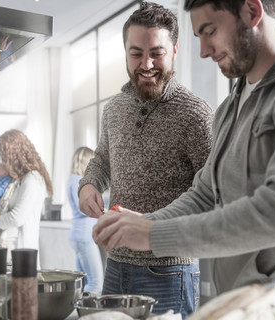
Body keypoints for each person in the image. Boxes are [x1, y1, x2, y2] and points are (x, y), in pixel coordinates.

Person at [92, 1, 275, 319]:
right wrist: (144, 223)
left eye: (210, 31)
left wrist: (152, 235)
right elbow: (205, 193)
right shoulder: (231, 106)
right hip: (240, 308)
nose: (204, 51)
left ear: (252, 10)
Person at [78, 2, 214, 317]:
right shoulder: (113, 108)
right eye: (136, 53)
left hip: (169, 273)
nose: (147, 63)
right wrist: (88, 185)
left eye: (157, 52)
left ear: (175, 50)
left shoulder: (195, 114)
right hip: (115, 266)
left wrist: (153, 227)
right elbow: (102, 159)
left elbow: (213, 194)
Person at [0, 129, 53, 269]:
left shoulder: (32, 179)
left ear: (16, 155)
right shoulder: (13, 178)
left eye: (5, 158)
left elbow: (17, 218)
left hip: (19, 256)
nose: (3, 162)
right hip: (2, 254)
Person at [67, 147, 104, 294]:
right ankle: (90, 316)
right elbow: (85, 208)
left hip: (78, 235)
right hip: (84, 236)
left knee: (82, 283)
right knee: (96, 283)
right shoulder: (77, 181)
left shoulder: (72, 180)